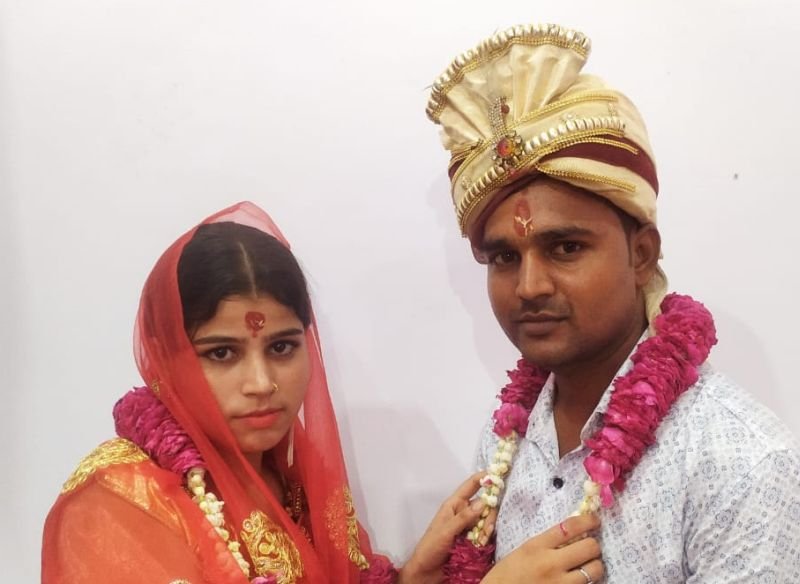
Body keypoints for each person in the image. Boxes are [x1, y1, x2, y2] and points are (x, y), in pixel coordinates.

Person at [41, 201, 601, 583]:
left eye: (282, 347)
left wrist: (412, 578)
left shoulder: (286, 481)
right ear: (169, 359)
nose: (261, 384)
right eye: (221, 353)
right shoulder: (118, 506)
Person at [425, 23, 800, 582]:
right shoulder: (507, 435)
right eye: (504, 257)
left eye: (566, 247)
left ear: (641, 254)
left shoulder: (741, 463)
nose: (529, 286)